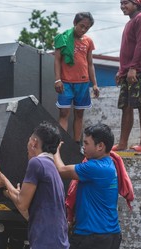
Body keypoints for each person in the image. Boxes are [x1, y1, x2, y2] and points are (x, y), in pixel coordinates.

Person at [0, 121, 69, 249]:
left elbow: (22, 203)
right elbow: (24, 202)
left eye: (28, 142)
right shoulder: (51, 167)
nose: (27, 146)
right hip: (58, 244)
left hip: (45, 246)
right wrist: (5, 182)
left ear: (33, 143)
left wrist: (4, 182)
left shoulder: (36, 163)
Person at [53, 123, 121, 249]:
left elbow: (61, 170)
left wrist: (54, 151)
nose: (84, 147)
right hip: (110, 235)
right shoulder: (109, 164)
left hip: (93, 237)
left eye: (87, 143)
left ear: (100, 146)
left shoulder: (95, 167)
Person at [54, 12, 100, 147]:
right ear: (74, 23)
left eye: (87, 27)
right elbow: (57, 60)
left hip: (83, 83)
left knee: (79, 114)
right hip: (66, 82)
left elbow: (90, 63)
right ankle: (60, 144)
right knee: (64, 112)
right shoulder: (62, 39)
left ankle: (75, 144)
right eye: (81, 26)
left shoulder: (88, 41)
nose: (83, 29)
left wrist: (95, 84)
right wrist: (57, 79)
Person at [112, 0, 141, 152]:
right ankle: (122, 143)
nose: (122, 6)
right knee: (126, 106)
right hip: (128, 70)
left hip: (139, 69)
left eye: (126, 2)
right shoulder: (129, 23)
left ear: (136, 3)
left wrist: (133, 68)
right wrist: (121, 71)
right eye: (121, 3)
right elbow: (126, 51)